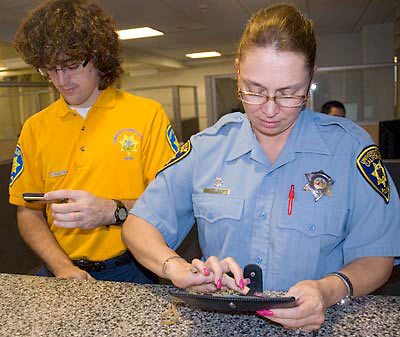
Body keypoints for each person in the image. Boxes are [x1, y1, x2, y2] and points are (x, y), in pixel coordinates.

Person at [122, 3, 400, 333]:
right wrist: (176, 268)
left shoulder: (349, 149)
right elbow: (138, 226)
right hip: (224, 325)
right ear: (237, 70)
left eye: (288, 93)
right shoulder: (207, 148)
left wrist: (327, 290)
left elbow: (377, 257)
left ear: (311, 77)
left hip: (319, 325)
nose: (269, 109)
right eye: (254, 90)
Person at [9, 0, 178, 283]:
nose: (61, 80)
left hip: (133, 269)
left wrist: (114, 210)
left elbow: (171, 203)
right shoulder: (34, 128)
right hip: (61, 271)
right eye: (50, 69)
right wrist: (63, 268)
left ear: (98, 58)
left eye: (71, 66)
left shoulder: (146, 115)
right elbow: (27, 212)